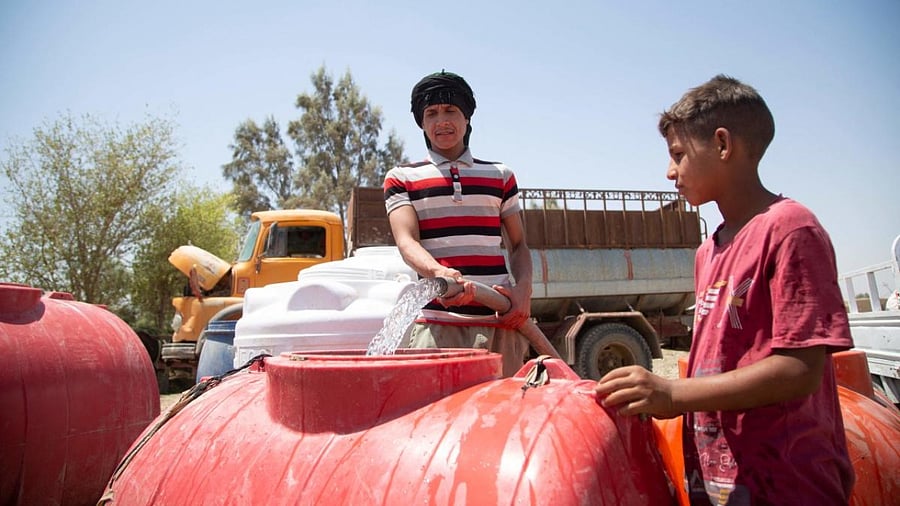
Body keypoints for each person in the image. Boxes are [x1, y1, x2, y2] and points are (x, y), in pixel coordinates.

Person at [593, 75, 855, 504]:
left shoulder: (790, 229)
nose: (669, 171)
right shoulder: (706, 252)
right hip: (718, 484)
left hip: (786, 483)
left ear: (722, 145)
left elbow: (800, 370)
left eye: (678, 154)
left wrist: (673, 394)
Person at [383, 70, 532, 376]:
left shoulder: (501, 175)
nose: (442, 121)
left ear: (467, 118)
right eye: (432, 113)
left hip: (499, 321)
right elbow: (406, 241)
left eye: (451, 111)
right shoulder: (402, 178)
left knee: (502, 415)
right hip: (436, 324)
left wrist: (523, 293)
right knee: (437, 418)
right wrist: (440, 274)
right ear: (421, 123)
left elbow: (518, 245)